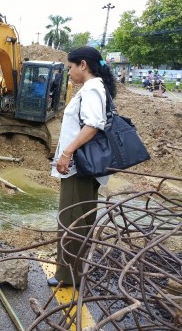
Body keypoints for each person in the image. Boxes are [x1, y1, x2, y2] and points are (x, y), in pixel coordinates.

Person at [47, 46, 116, 287]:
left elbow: (93, 124)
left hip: (80, 169)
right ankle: (72, 273)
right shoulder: (93, 88)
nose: (69, 72)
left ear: (83, 65)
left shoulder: (92, 88)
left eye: (70, 67)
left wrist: (67, 153)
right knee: (78, 218)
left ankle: (68, 276)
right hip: (82, 168)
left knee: (72, 219)